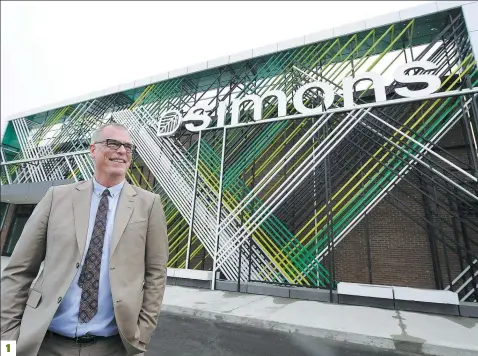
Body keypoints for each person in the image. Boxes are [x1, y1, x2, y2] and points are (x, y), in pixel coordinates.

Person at [1, 123, 169, 355]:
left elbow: (156, 275)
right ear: (93, 150)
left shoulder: (149, 204)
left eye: (128, 147)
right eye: (113, 143)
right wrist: (6, 347)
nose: (122, 150)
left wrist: (141, 338)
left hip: (113, 347)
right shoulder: (56, 197)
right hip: (44, 343)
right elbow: (18, 272)